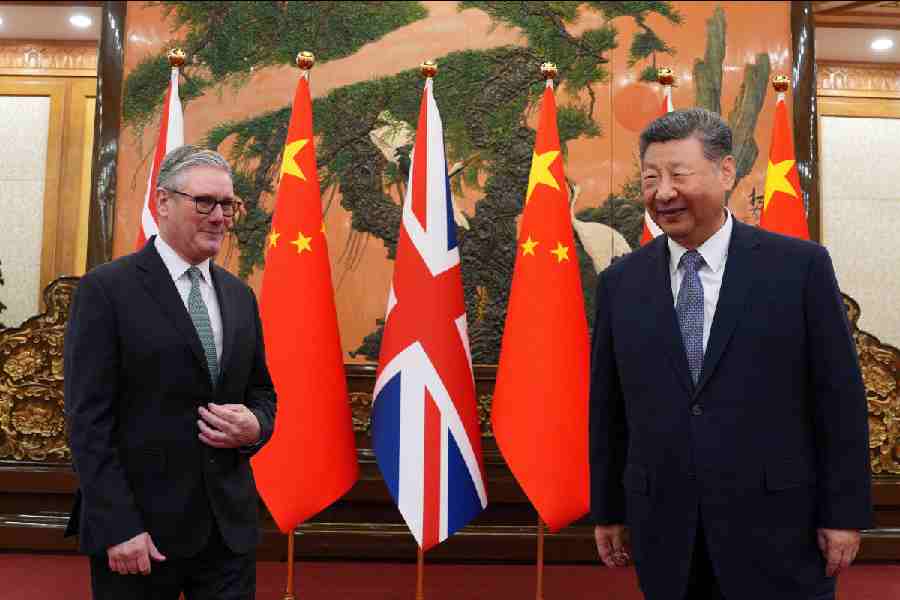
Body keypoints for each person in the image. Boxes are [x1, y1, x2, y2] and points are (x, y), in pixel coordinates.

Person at [589, 108, 872, 600]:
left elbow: (838, 400)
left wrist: (843, 514)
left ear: (725, 172)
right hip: (665, 529)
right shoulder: (620, 282)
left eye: (679, 175)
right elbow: (609, 409)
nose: (663, 193)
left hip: (780, 527)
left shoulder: (797, 268)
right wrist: (609, 509)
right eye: (650, 178)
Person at [64, 145, 277, 600]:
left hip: (227, 535)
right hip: (140, 535)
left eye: (228, 204)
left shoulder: (240, 296)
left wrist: (255, 424)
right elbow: (88, 422)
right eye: (204, 202)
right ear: (163, 202)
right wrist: (118, 525)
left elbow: (262, 393)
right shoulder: (106, 290)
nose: (219, 216)